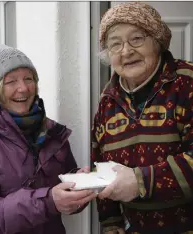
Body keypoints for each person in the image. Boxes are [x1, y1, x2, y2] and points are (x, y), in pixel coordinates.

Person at [0, 44, 97, 234]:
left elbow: (62, 191)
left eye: (29, 79)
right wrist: (48, 201)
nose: (23, 88)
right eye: (11, 81)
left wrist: (79, 185)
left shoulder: (51, 132)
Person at [91, 2, 193, 234]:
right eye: (115, 44)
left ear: (157, 43)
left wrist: (141, 182)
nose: (126, 51)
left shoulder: (187, 83)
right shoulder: (107, 102)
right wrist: (111, 222)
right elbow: (102, 164)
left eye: (137, 39)